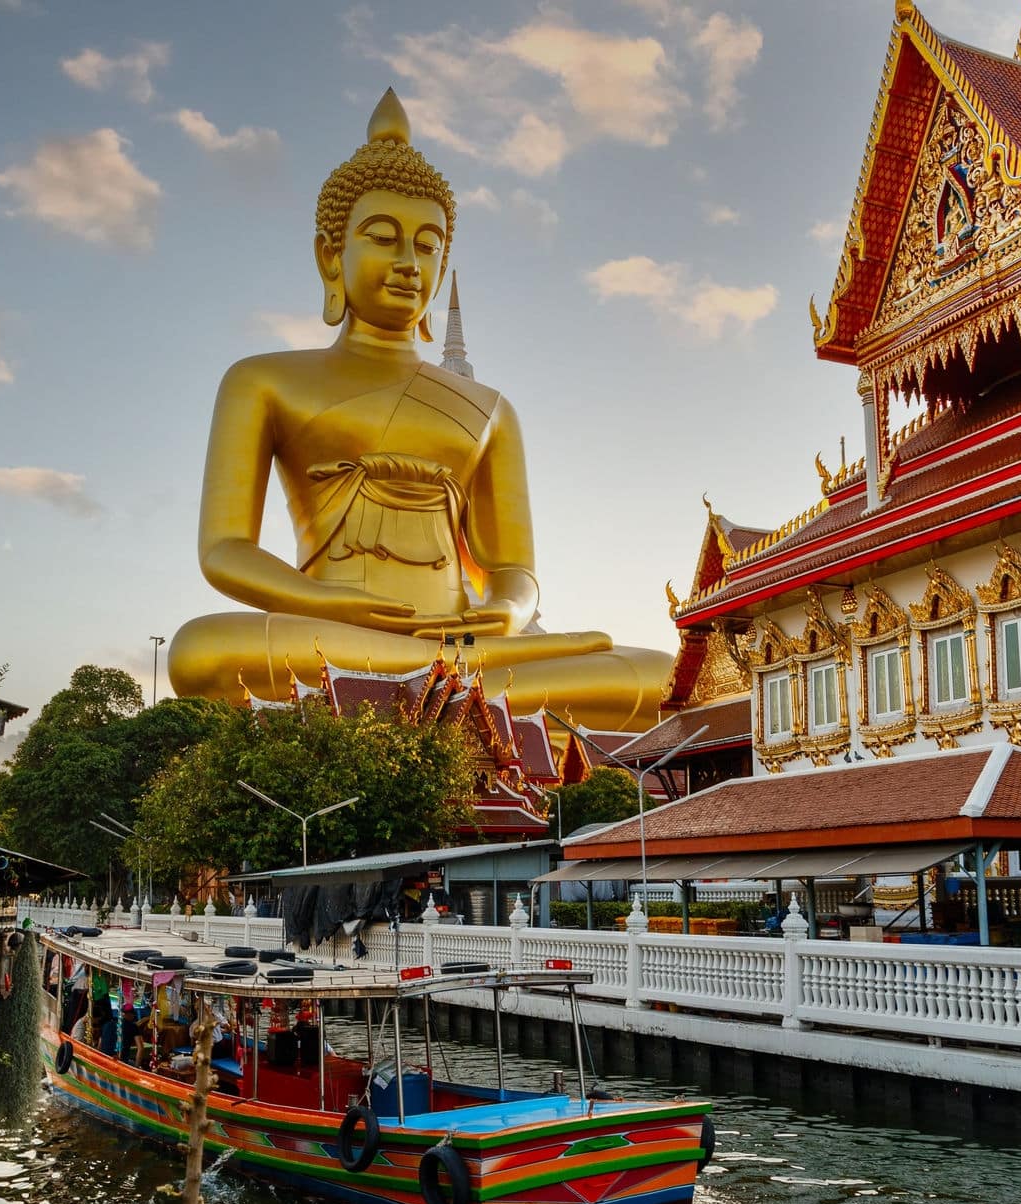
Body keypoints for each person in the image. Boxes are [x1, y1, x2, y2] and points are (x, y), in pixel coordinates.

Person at [162, 89, 668, 729]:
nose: (408, 263)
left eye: (428, 245)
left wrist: (508, 612)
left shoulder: (489, 409)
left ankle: (435, 679)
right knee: (200, 651)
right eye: (383, 238)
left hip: (465, 643)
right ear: (330, 255)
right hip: (332, 636)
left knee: (659, 674)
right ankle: (439, 684)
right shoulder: (262, 380)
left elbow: (515, 570)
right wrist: (329, 605)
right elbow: (225, 550)